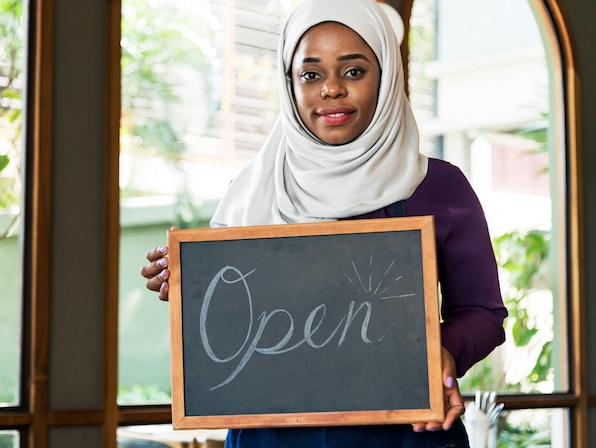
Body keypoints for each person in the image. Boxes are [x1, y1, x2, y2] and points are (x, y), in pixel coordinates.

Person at [141, 0, 508, 446]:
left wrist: (445, 352)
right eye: (310, 75)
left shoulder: (438, 186)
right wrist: (185, 282)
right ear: (289, 83)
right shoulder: (252, 189)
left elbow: (483, 313)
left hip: (405, 434)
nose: (331, 89)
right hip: (271, 438)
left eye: (353, 71)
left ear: (387, 76)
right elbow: (234, 324)